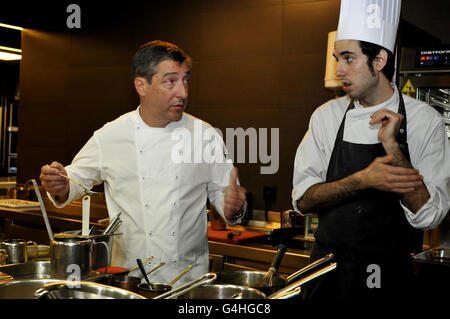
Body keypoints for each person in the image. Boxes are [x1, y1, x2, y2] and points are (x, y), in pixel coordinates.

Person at [40, 40, 247, 286]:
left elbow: (225, 198)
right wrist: (60, 184)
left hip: (188, 283)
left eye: (186, 80)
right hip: (128, 282)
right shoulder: (111, 135)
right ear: (142, 85)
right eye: (171, 81)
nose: (183, 92)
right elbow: (74, 179)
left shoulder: (205, 135)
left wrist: (233, 207)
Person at [292, 0, 450, 299]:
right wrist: (362, 180)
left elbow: (429, 216)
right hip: (324, 272)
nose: (338, 69)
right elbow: (304, 199)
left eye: (349, 58)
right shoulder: (326, 116)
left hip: (388, 275)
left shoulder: (422, 120)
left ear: (379, 60)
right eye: (337, 58)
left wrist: (393, 147)